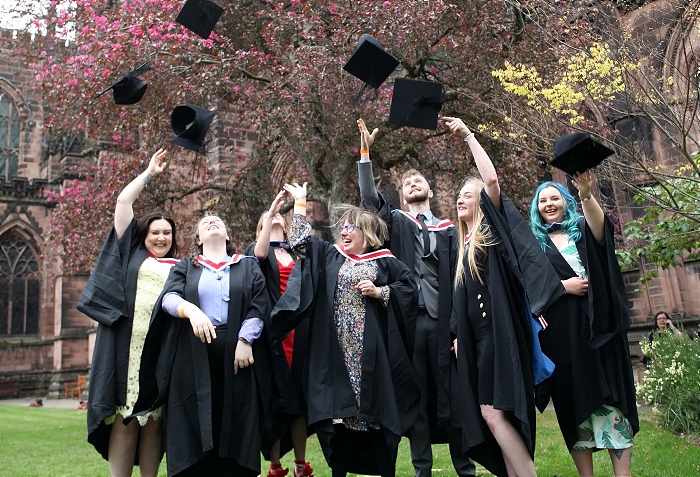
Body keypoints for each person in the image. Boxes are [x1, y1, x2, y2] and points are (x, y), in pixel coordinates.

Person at [270, 183, 420, 477]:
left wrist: (380, 292)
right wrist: (300, 203)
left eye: (352, 227)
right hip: (336, 352)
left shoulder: (384, 261)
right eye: (343, 227)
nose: (345, 231)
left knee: (373, 419)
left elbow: (409, 290)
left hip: (371, 355)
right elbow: (301, 243)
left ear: (368, 234)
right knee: (341, 420)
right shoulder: (330, 255)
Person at [356, 119, 477, 477]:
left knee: (454, 395)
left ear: (431, 191)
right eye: (407, 183)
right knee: (418, 396)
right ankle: (422, 468)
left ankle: (464, 465)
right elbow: (368, 202)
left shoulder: (449, 230)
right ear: (402, 193)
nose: (413, 184)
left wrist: (459, 329)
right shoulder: (394, 223)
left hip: (445, 324)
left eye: (418, 181)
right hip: (409, 324)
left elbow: (461, 280)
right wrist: (366, 155)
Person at [446, 117, 563, 477]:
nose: (461, 199)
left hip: (500, 336)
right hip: (478, 343)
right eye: (459, 195)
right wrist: (455, 334)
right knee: (493, 415)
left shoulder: (491, 233)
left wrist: (468, 135)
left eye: (469, 194)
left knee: (494, 413)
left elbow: (492, 180)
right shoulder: (460, 246)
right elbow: (460, 301)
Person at [133, 214, 272, 477]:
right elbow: (168, 298)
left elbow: (259, 304)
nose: (212, 222)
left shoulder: (247, 266)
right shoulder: (187, 267)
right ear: (198, 239)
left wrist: (245, 340)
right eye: (205, 222)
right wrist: (191, 311)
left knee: (236, 427)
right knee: (192, 427)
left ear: (228, 236)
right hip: (192, 361)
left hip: (236, 360)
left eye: (218, 221)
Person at [77, 149, 179, 477]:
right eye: (155, 232)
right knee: (127, 418)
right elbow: (123, 204)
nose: (161, 237)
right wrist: (149, 172)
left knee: (154, 421)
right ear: (144, 235)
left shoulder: (181, 267)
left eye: (167, 233)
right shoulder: (130, 254)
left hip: (161, 352)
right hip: (127, 350)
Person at [530, 172, 639, 477]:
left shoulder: (581, 228)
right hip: (563, 335)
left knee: (610, 395)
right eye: (543, 200)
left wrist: (587, 195)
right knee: (572, 400)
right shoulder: (534, 246)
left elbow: (602, 231)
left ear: (566, 203)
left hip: (598, 328)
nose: (549, 204)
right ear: (536, 209)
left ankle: (623, 474)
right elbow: (527, 288)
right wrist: (563, 287)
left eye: (555, 198)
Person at [247, 194, 313, 477]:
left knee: (299, 398)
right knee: (275, 398)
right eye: (267, 216)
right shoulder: (258, 250)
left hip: (300, 332)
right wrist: (271, 207)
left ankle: (300, 463)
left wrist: (301, 205)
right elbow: (259, 255)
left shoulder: (297, 251)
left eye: (277, 216)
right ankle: (275, 466)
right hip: (272, 334)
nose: (274, 216)